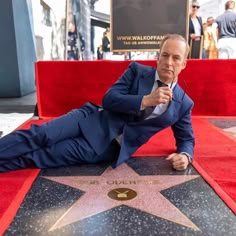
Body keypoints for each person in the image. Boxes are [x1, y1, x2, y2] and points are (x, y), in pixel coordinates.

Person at [0, 34, 195, 173]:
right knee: (40, 135)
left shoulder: (183, 103)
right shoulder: (137, 70)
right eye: (165, 55)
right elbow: (109, 99)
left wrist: (185, 155)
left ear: (184, 63)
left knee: (42, 156)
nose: (169, 62)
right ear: (157, 56)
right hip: (91, 117)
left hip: (106, 146)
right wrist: (144, 101)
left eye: (176, 58)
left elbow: (186, 138)